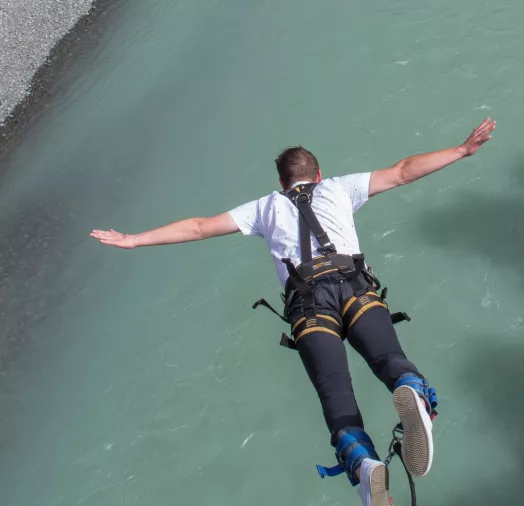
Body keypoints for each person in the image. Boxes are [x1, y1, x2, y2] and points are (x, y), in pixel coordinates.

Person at [90, 117, 497, 506]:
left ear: (280, 183)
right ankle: (409, 392)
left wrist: (135, 240)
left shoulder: (263, 208)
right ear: (318, 175)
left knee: (336, 394)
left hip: (308, 307)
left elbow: (198, 227)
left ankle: (365, 462)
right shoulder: (339, 188)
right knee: (390, 360)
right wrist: (462, 149)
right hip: (355, 289)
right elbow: (403, 170)